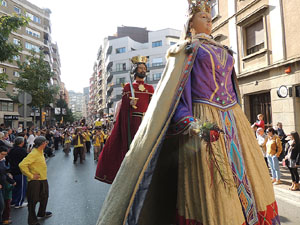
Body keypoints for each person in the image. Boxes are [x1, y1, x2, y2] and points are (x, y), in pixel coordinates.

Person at [96, 1, 280, 225]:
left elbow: (231, 87)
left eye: (209, 16)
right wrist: (192, 124)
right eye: (202, 17)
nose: (209, 19)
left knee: (251, 180)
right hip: (204, 119)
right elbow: (174, 97)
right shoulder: (185, 50)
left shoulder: (224, 49)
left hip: (234, 120)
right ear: (190, 23)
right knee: (215, 190)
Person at [95, 55, 154, 184]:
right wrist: (129, 102)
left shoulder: (150, 88)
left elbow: (152, 106)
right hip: (132, 121)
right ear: (135, 70)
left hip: (146, 121)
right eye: (140, 68)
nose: (143, 70)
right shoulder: (128, 87)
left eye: (144, 68)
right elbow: (124, 110)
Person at [19, 136, 52, 225]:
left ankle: (41, 213)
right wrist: (31, 175)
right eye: (45, 142)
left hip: (43, 179)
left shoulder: (40, 151)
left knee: (44, 197)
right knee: (33, 201)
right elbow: (22, 165)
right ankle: (32, 221)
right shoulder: (34, 153)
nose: (46, 144)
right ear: (42, 144)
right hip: (35, 181)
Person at [6, 137, 28, 208]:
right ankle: (19, 203)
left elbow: (7, 159)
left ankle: (14, 201)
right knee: (21, 187)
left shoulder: (11, 150)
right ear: (22, 142)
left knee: (15, 187)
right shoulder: (22, 151)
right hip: (20, 170)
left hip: (12, 170)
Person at [0, 146, 16, 225]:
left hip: (3, 185)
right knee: (1, 205)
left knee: (2, 205)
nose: (3, 156)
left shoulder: (2, 161)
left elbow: (4, 173)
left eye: (5, 155)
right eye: (2, 154)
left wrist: (12, 181)